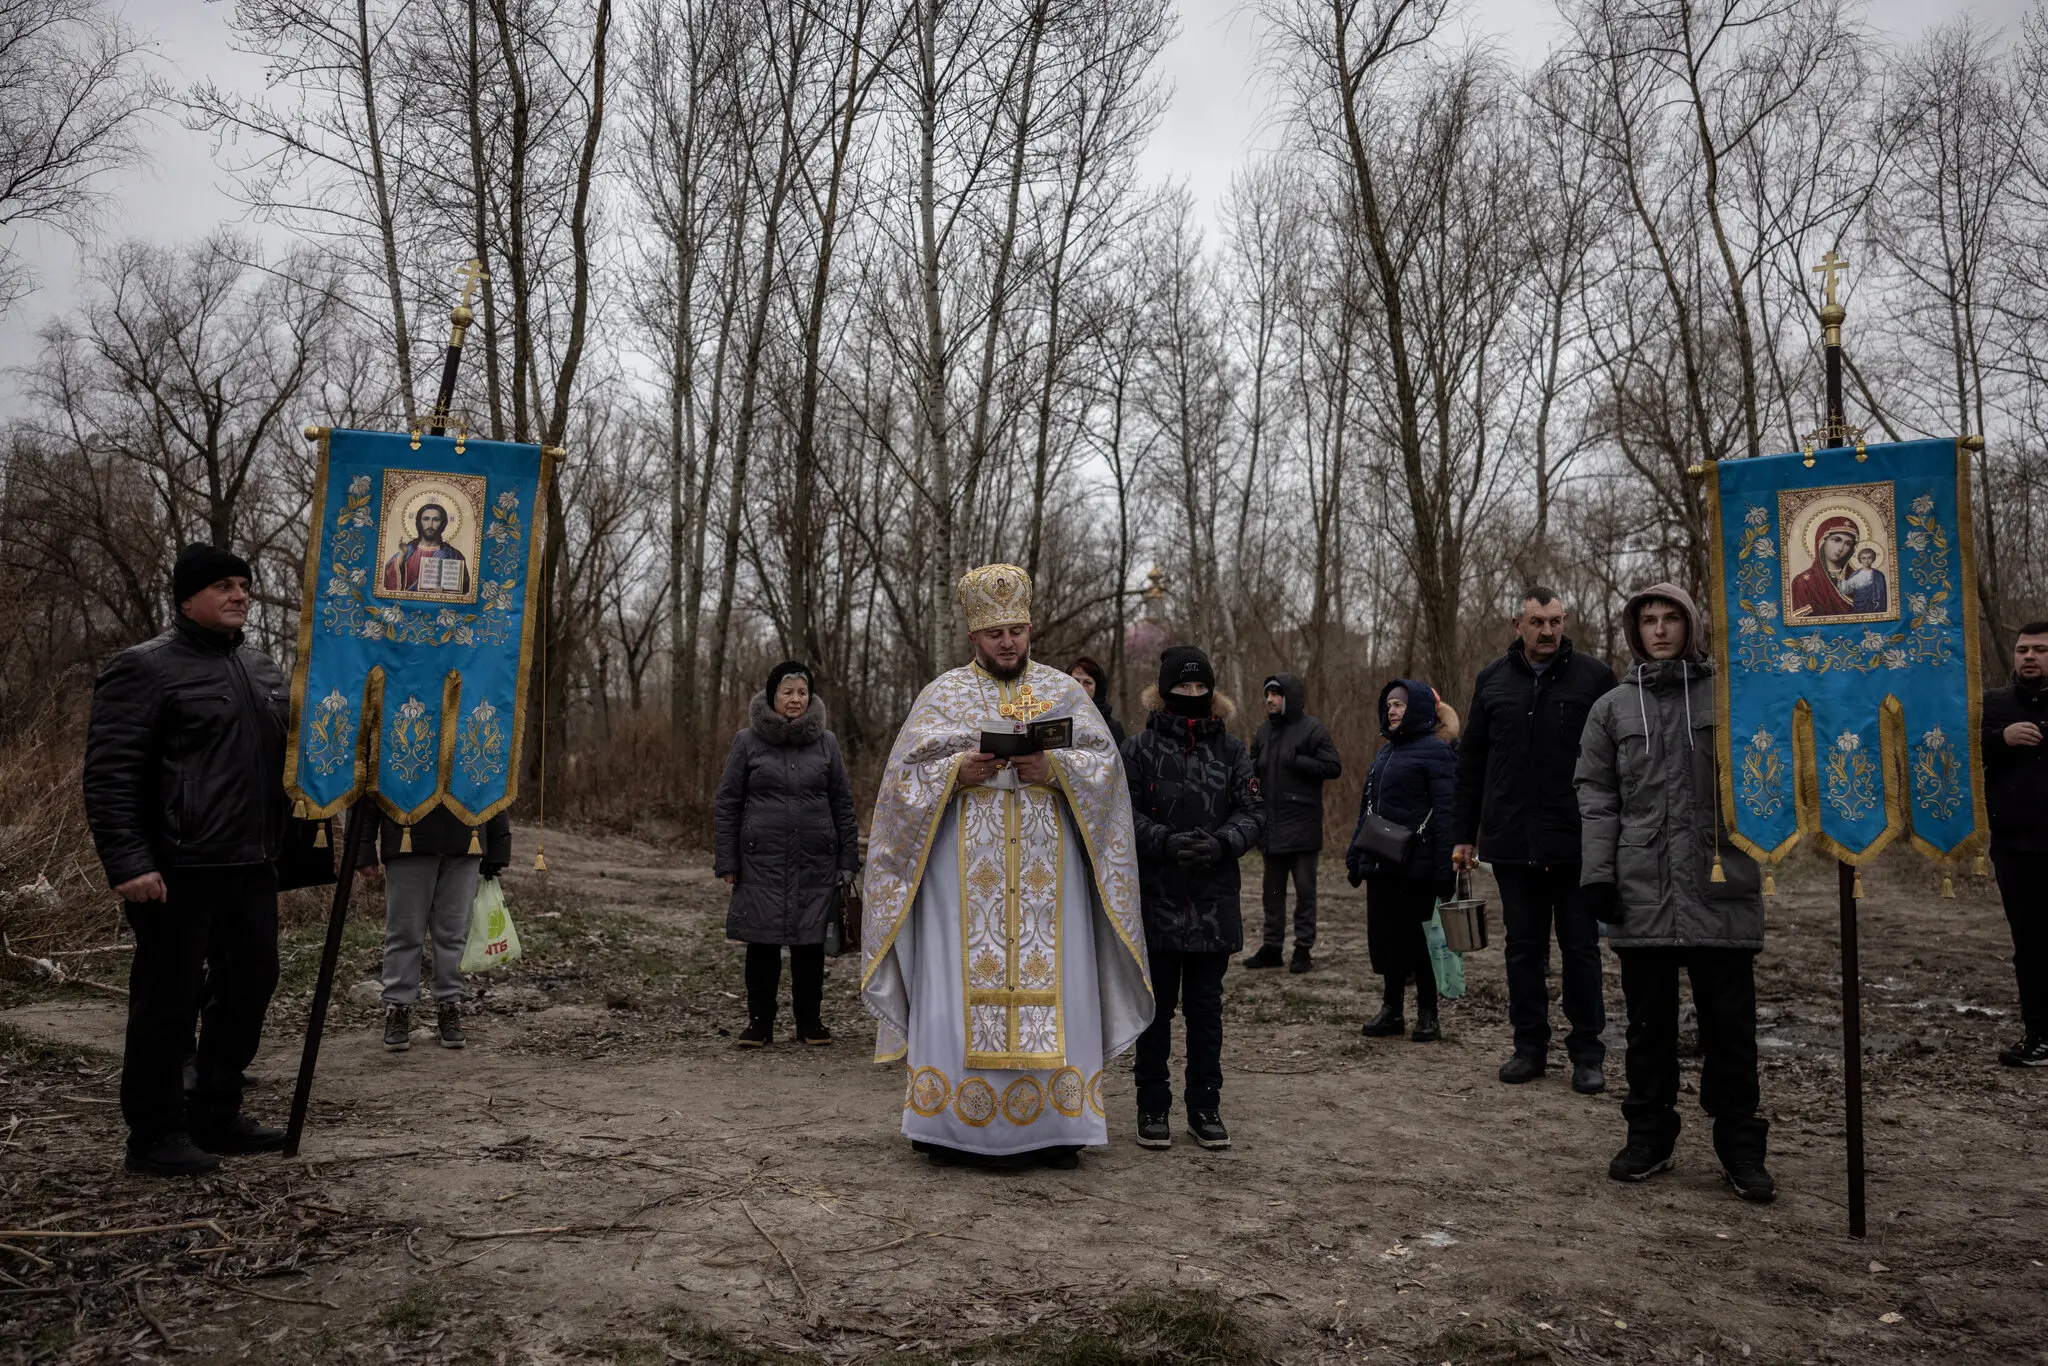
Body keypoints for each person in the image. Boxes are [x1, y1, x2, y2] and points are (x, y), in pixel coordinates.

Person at [862, 565, 1150, 1169]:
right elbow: (900, 785)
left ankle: (1057, 1128)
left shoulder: (1064, 693)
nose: (1008, 643)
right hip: (961, 885)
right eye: (995, 634)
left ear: (1029, 629)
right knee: (954, 988)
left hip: (1050, 885)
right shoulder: (941, 696)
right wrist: (953, 773)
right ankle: (948, 1126)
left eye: (1017, 631)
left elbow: (1107, 772)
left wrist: (1057, 771)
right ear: (974, 636)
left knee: (1058, 981)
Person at [82, 544, 291, 1177]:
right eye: (223, 585)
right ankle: (154, 1133)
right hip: (175, 869)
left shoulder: (261, 668)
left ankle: (215, 1113)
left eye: (244, 585)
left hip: (251, 864)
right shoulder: (144, 668)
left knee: (250, 985)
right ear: (185, 599)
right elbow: (111, 775)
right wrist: (129, 862)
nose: (240, 595)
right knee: (167, 1000)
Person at [1576, 582, 1773, 1202]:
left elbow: (1768, 777)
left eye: (1671, 619)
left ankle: (1740, 1146)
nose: (1660, 630)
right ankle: (1649, 1136)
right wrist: (1597, 875)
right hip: (1643, 887)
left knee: (1731, 1029)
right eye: (1649, 620)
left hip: (1722, 881)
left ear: (1691, 626)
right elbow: (1597, 797)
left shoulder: (1734, 698)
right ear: (1635, 631)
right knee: (1647, 1027)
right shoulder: (1611, 709)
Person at [1452, 588, 1617, 1093]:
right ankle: (1529, 1048)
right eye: (1537, 622)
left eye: (1556, 621)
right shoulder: (1491, 681)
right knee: (1522, 951)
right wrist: (1463, 835)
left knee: (1581, 950)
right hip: (1511, 842)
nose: (1548, 631)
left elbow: (1616, 761)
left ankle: (1587, 1053)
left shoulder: (1595, 679)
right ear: (1517, 625)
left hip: (1576, 842)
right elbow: (1471, 762)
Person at [1121, 646, 1264, 1150]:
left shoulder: (1232, 750)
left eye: (1201, 687)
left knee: (1206, 1010)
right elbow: (1121, 815)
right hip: (1154, 898)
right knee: (1155, 1010)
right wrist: (1163, 841)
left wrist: (1223, 843)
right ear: (1164, 692)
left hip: (1213, 901)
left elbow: (1254, 812)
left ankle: (1205, 1106)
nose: (1193, 694)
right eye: (1183, 687)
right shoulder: (1137, 750)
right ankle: (1152, 1106)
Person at [715, 661, 861, 1047]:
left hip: (816, 861)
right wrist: (727, 859)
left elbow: (842, 803)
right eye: (787, 692)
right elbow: (728, 802)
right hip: (760, 862)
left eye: (802, 692)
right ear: (772, 696)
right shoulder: (747, 742)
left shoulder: (826, 742)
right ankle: (759, 1024)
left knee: (809, 944)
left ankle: (810, 1023)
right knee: (761, 942)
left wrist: (848, 860)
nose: (795, 699)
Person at [1346, 680, 1458, 1044]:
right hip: (1382, 861)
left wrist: (1444, 868)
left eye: (1400, 705)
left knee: (1419, 941)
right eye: (1390, 704)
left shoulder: (1437, 752)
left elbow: (1446, 813)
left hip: (1417, 865)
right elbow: (1367, 809)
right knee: (1387, 939)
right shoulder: (1384, 753)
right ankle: (1392, 1010)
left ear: (1419, 709)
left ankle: (1428, 1015)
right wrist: (1354, 855)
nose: (1392, 710)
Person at [360, 803, 511, 1053]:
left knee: (453, 933)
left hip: (465, 840)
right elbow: (373, 787)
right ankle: (397, 1008)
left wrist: (498, 845)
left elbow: (490, 787)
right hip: (409, 838)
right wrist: (363, 846)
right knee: (404, 933)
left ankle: (450, 1003)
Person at [1980, 621, 2048, 1067]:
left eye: (2040, 650)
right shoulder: (1992, 704)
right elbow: (1959, 751)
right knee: (2030, 943)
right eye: (2023, 649)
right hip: (2014, 846)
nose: (2029, 657)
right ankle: (2039, 1036)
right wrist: (1999, 739)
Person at [1244, 673, 1342, 974]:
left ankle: (1303, 949)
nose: (1269, 700)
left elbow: (1333, 766)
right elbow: (1250, 768)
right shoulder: (1264, 731)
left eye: (1275, 694)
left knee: (1304, 893)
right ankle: (1272, 947)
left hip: (1302, 827)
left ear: (1290, 697)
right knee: (1272, 894)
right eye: (1267, 694)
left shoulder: (1313, 729)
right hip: (1271, 828)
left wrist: (1299, 761)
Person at [381, 502, 470, 595]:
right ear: (419, 522)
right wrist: (402, 558)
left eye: (436, 520)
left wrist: (446, 592)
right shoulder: (408, 551)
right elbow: (388, 580)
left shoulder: (454, 555)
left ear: (443, 524)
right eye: (426, 519)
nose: (430, 525)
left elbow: (464, 589)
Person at [1788, 516, 1859, 620]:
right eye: (1836, 540)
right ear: (1822, 541)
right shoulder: (1803, 582)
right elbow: (1801, 624)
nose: (1840, 548)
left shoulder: (1859, 579)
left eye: (1848, 544)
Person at [1068, 655, 1126, 746]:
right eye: (1075, 681)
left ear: (1097, 688)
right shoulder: (1055, 718)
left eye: (1087, 682)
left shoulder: (1111, 727)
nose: (1080, 687)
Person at [1844, 548, 1888, 615]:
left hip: (1874, 605)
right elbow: (1847, 589)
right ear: (1860, 559)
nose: (1866, 561)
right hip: (1858, 604)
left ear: (1873, 559)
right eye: (1863, 558)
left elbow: (1882, 593)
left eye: (1869, 558)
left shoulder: (1879, 575)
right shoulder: (1856, 574)